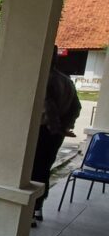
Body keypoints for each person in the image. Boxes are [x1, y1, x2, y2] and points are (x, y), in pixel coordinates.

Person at [30, 47, 81, 226]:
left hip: (44, 130)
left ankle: (31, 211)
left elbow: (48, 108)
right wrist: (65, 127)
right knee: (44, 169)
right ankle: (38, 208)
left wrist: (56, 127)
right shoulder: (66, 80)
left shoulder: (45, 78)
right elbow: (77, 107)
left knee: (34, 171)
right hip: (55, 134)